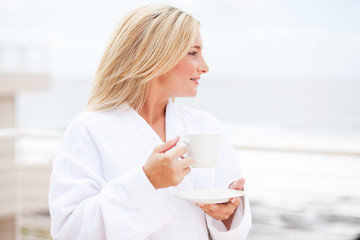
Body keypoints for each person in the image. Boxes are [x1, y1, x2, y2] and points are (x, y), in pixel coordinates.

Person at [49, 4, 252, 240]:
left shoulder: (206, 126)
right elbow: (70, 231)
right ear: (156, 55)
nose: (205, 67)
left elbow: (232, 223)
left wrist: (226, 215)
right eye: (193, 52)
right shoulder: (89, 130)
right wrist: (146, 181)